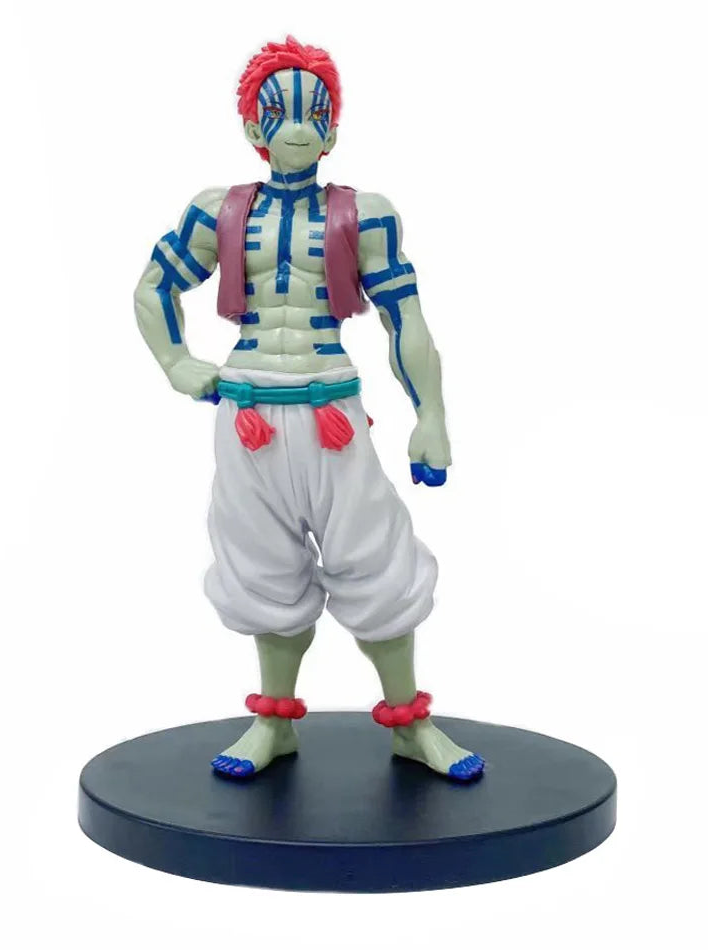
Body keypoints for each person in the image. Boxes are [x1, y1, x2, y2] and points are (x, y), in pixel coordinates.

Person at [134, 37, 483, 781]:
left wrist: (431, 416)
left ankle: (409, 725)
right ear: (252, 127)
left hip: (332, 412)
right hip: (248, 413)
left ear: (333, 128)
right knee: (259, 561)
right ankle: (274, 723)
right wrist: (177, 363)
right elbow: (154, 286)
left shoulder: (366, 215)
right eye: (280, 112)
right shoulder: (218, 212)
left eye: (314, 112)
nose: (298, 126)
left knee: (375, 557)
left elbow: (404, 317)